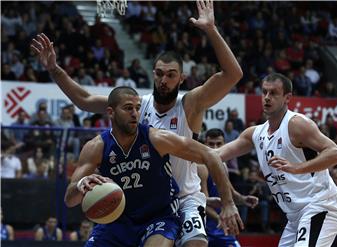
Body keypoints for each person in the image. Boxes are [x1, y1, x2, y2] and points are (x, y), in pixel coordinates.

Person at [31, 0, 243, 246]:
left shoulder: (190, 104)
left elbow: (233, 75)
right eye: (159, 73)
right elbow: (85, 100)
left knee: (195, 243)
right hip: (139, 198)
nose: (164, 80)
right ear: (153, 73)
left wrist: (211, 30)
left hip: (183, 196)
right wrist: (54, 69)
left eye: (171, 75)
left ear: (181, 78)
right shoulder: (135, 106)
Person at [64, 87, 241, 247]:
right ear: (110, 112)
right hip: (116, 221)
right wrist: (81, 185)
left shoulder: (155, 138)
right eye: (128, 108)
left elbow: (210, 155)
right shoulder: (96, 147)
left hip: (158, 218)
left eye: (137, 108)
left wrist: (228, 203)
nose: (135, 113)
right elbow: (69, 199)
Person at [218, 73, 337, 247]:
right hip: (294, 216)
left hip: (320, 204)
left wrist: (297, 168)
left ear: (287, 98)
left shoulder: (297, 124)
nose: (267, 98)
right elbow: (214, 155)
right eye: (264, 92)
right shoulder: (255, 134)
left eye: (274, 93)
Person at [197, 128, 258, 247]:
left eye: (218, 144)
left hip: (223, 224)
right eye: (211, 144)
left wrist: (243, 199)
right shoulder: (201, 167)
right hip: (206, 227)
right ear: (205, 144)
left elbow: (230, 192)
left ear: (224, 144)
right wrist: (220, 218)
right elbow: (202, 202)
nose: (215, 148)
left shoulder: (223, 165)